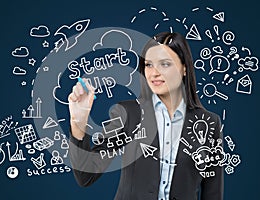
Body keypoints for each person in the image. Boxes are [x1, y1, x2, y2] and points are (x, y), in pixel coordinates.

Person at [68, 32, 224, 200]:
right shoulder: (128, 114)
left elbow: (212, 192)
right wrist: (78, 120)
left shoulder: (209, 123)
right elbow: (86, 176)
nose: (154, 73)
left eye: (165, 64)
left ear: (184, 68)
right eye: (149, 65)